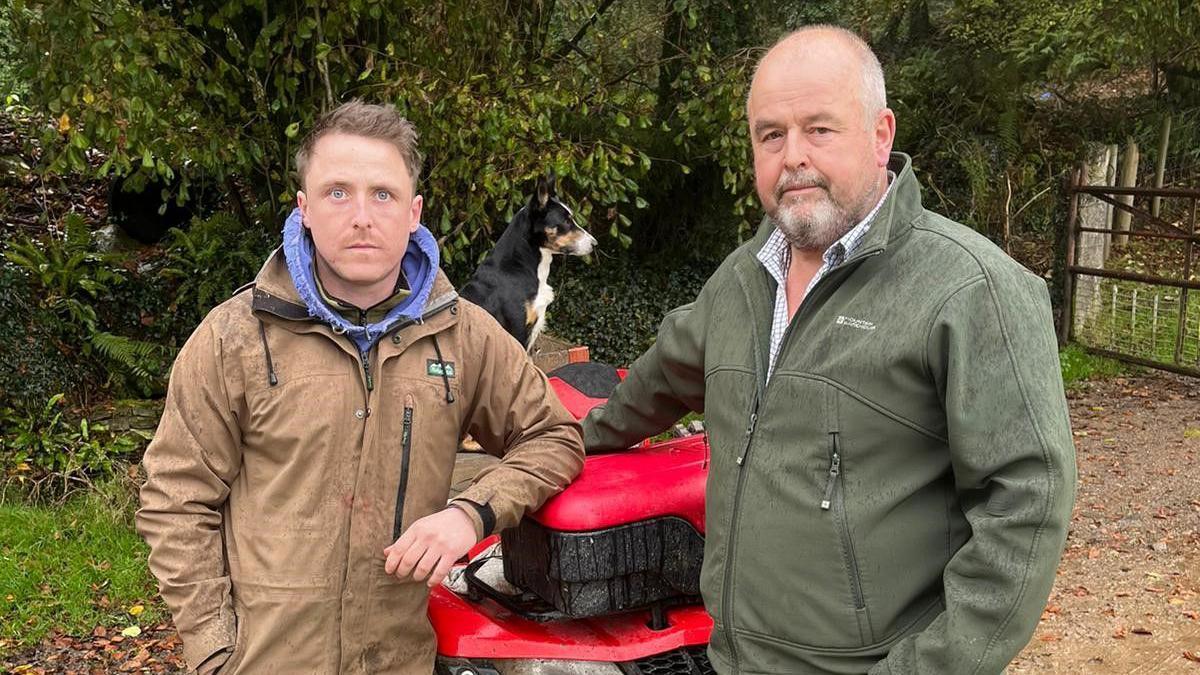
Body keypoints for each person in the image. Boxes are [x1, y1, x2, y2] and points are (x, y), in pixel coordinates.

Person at [582, 26, 1076, 674]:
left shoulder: (970, 289)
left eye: (820, 129)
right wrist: (577, 440)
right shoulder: (738, 281)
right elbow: (659, 378)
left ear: (881, 135)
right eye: (770, 134)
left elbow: (1028, 502)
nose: (792, 157)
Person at [137, 100, 585, 674]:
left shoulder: (465, 336)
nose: (362, 216)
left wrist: (471, 513)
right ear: (303, 208)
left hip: (398, 661)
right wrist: (214, 649)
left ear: (414, 212)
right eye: (337, 192)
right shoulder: (235, 339)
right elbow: (176, 497)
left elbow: (554, 437)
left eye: (383, 194)